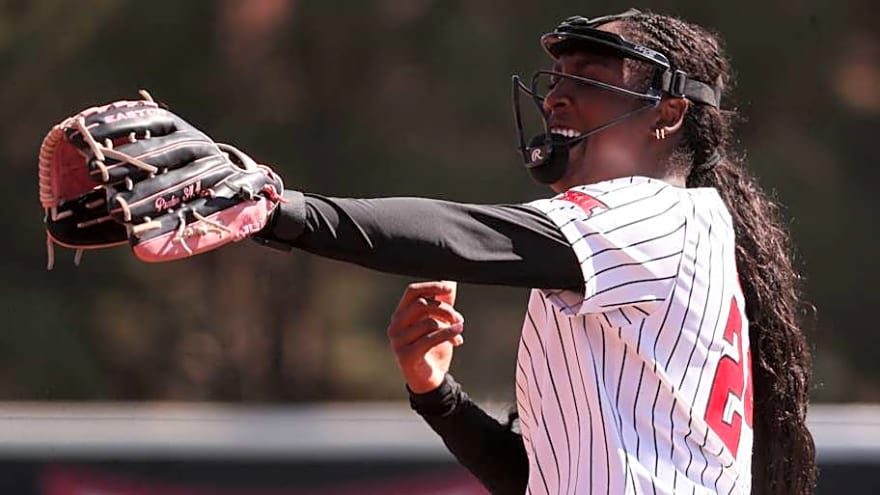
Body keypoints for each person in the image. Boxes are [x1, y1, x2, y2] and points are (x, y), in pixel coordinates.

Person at [57, 7, 814, 494]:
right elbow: (533, 479)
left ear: (669, 115)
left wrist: (276, 209)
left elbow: (471, 237)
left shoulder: (657, 213)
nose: (556, 94)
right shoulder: (639, 248)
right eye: (556, 78)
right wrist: (437, 395)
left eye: (589, 79)